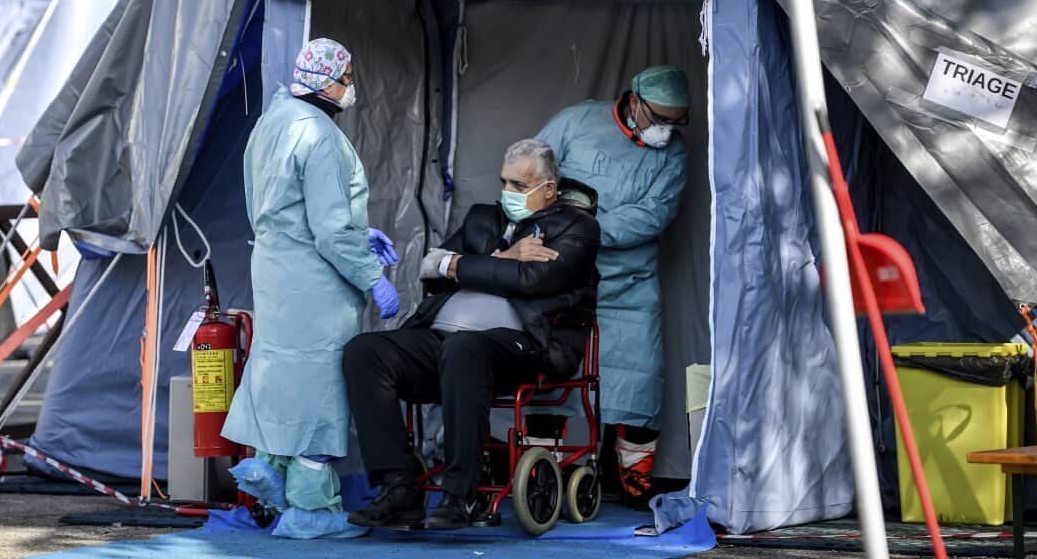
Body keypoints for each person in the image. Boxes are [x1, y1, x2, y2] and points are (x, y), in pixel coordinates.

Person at [342, 139, 600, 531]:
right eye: (505, 182)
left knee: (465, 349)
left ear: (549, 189)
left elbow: (531, 280)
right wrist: (500, 259)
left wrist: (459, 265)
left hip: (526, 345)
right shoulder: (484, 219)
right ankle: (398, 488)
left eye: (519, 185)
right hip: (447, 339)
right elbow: (429, 268)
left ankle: (462, 495)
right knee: (365, 351)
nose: (508, 193)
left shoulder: (577, 227)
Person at [222, 37, 401, 536]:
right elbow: (328, 231)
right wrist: (372, 273)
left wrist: (355, 230)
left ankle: (267, 467)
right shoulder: (320, 135)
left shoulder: (272, 121)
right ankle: (310, 511)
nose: (351, 88)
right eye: (347, 78)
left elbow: (280, 206)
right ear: (329, 81)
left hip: (275, 270)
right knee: (321, 388)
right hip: (316, 283)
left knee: (278, 371)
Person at [535, 65, 690, 506]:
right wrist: (557, 227)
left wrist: (587, 229)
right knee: (551, 377)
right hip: (564, 277)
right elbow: (533, 171)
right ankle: (545, 477)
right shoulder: (577, 121)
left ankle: (634, 482)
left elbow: (654, 213)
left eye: (676, 122)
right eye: (659, 117)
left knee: (640, 380)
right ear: (635, 100)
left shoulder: (673, 153)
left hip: (630, 286)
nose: (667, 130)